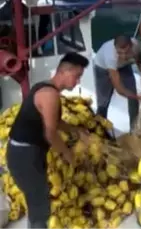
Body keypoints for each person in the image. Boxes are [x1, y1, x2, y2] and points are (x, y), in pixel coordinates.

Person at [7, 52, 90, 229]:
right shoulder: (49, 95)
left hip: (25, 152)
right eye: (77, 76)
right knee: (39, 204)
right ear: (64, 72)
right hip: (24, 155)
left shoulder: (43, 87)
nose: (78, 82)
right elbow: (50, 133)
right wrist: (68, 154)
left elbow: (55, 121)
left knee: (36, 198)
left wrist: (75, 130)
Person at [93, 35, 141, 131]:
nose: (123, 56)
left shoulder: (136, 46)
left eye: (126, 52)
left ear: (131, 46)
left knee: (132, 95)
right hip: (103, 68)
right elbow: (119, 89)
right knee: (103, 102)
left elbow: (140, 62)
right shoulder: (110, 56)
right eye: (119, 52)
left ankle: (134, 129)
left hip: (123, 67)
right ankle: (100, 130)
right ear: (115, 48)